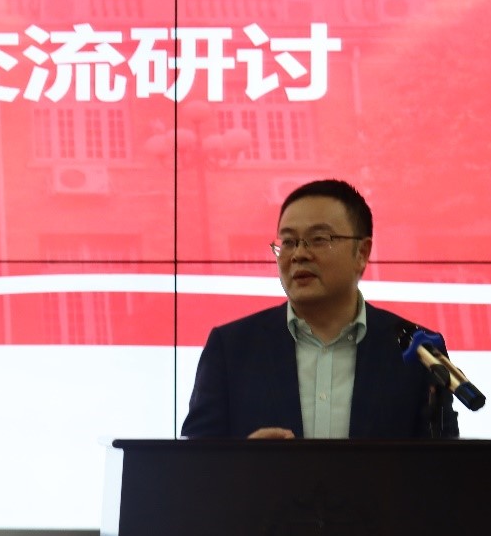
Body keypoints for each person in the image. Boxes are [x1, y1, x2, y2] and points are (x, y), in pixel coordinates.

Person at [180, 178, 458, 439]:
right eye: (288, 242)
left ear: (361, 253)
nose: (299, 254)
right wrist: (242, 462)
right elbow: (193, 463)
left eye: (319, 239)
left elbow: (444, 463)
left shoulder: (417, 349)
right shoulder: (231, 348)